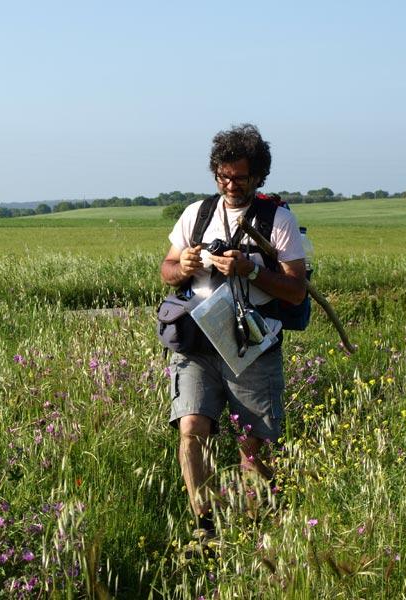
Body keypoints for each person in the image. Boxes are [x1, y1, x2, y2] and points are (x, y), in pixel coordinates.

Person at [160, 124, 307, 533]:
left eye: (239, 177)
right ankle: (205, 525)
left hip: (251, 344)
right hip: (197, 339)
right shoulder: (197, 213)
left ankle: (254, 528)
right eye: (223, 176)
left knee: (254, 442)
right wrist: (183, 267)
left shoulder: (278, 220)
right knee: (191, 428)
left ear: (258, 176)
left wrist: (251, 270)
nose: (230, 184)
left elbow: (296, 290)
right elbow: (167, 270)